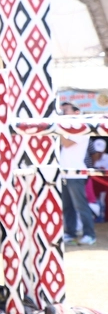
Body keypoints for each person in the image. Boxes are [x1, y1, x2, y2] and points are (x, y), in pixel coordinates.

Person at [59, 101, 96, 245]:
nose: (62, 113)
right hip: (65, 173)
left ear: (77, 112)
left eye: (65, 110)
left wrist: (57, 129)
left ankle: (89, 234)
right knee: (67, 206)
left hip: (76, 174)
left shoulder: (83, 129)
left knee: (81, 206)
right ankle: (70, 233)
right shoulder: (67, 129)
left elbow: (67, 144)